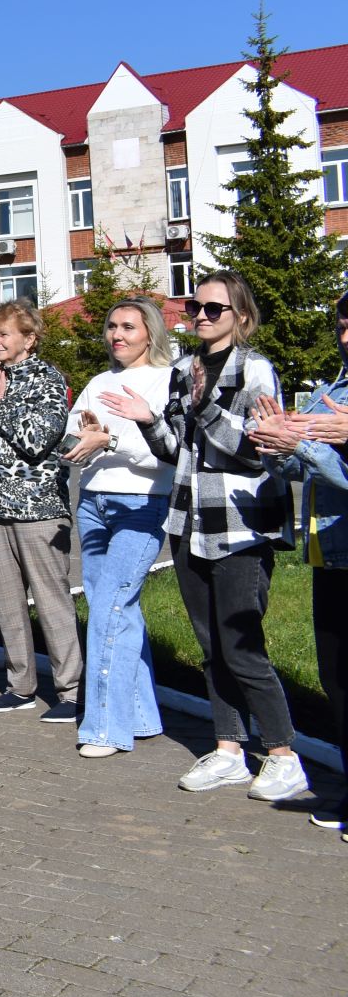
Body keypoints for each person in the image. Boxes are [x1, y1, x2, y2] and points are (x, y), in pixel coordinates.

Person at [104, 272, 307, 802]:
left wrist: (205, 406)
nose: (200, 315)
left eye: (214, 308)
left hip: (241, 525)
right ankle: (230, 750)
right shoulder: (183, 370)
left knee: (242, 647)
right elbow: (177, 449)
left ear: (240, 315)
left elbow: (255, 449)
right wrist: (150, 420)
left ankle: (284, 755)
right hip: (189, 523)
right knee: (211, 646)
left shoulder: (254, 369)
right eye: (195, 306)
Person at [0, 300, 80, 722]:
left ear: (30, 339)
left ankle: (71, 693)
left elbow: (37, 440)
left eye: (5, 333)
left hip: (36, 510)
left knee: (52, 603)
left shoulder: (46, 380)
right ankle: (20, 686)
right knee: (7, 604)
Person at [59, 299, 175, 757]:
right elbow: (73, 439)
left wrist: (110, 438)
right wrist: (84, 435)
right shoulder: (99, 382)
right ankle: (143, 717)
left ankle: (106, 729)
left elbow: (164, 451)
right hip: (93, 500)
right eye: (111, 326)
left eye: (129, 326)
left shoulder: (166, 380)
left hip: (143, 502)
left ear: (151, 333)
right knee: (119, 608)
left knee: (110, 607)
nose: (117, 335)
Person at [254, 286, 348, 836]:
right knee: (337, 681)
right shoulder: (331, 391)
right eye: (340, 325)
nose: (344, 337)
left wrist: (307, 446)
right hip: (328, 557)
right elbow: (303, 472)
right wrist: (278, 445)